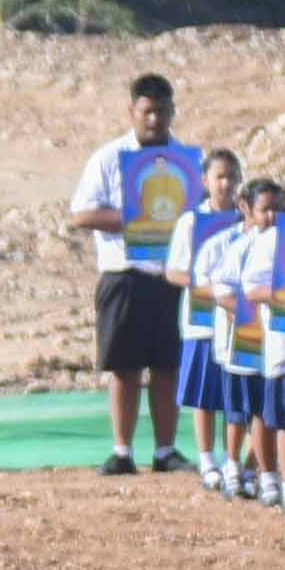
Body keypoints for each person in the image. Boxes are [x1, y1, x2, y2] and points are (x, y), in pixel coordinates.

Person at [79, 75, 196, 474]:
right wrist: (137, 218)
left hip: (170, 276)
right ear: (132, 111)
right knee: (125, 369)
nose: (155, 120)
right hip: (124, 274)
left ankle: (166, 450)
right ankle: (122, 450)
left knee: (168, 366)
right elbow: (83, 213)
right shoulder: (109, 157)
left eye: (162, 111)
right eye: (147, 111)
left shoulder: (186, 160)